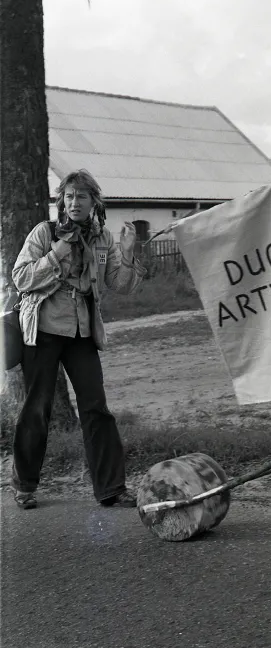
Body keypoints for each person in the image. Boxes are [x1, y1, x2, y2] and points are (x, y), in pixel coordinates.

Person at [10, 169, 146, 509]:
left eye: (81, 197)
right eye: (68, 197)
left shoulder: (102, 238)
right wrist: (58, 252)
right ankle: (25, 486)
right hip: (41, 332)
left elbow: (120, 284)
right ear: (61, 201)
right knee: (36, 409)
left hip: (81, 333)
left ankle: (111, 488)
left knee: (96, 408)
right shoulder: (44, 232)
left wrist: (128, 252)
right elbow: (21, 277)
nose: (74, 202)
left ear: (93, 202)